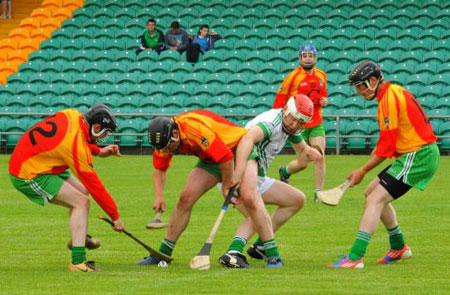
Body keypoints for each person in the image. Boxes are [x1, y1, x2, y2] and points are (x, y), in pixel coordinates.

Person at [138, 109, 283, 267]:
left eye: (168, 147)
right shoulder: (164, 141)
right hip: (211, 158)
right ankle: (163, 254)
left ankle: (273, 254)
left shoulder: (194, 129)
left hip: (237, 149)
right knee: (185, 198)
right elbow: (159, 169)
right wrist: (159, 196)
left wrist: (227, 185)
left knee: (249, 197)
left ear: (175, 132)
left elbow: (226, 157)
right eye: (162, 149)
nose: (166, 151)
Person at [330, 60, 439, 268]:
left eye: (361, 86)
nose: (359, 91)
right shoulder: (391, 94)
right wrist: (379, 150)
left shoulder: (389, 99)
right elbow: (391, 138)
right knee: (371, 193)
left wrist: (361, 170)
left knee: (375, 200)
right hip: (415, 154)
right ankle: (399, 247)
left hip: (419, 156)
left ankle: (355, 257)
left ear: (373, 80)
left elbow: (387, 147)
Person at [8, 104, 125, 272]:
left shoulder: (72, 114)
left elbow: (75, 139)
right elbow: (94, 185)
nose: (103, 137)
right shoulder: (75, 146)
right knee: (82, 202)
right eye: (104, 133)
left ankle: (79, 237)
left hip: (45, 161)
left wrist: (98, 151)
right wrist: (115, 216)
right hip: (28, 172)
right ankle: (78, 263)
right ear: (97, 127)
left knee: (81, 194)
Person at [218, 94, 322, 268]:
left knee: (296, 199)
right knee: (256, 213)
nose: (295, 124)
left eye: (300, 123)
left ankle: (259, 247)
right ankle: (236, 251)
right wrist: (237, 174)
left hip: (258, 176)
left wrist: (311, 151)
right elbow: (247, 138)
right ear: (286, 110)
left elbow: (302, 150)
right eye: (294, 119)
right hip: (241, 171)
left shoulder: (291, 127)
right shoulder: (272, 123)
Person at [274, 45, 328, 201]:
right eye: (304, 55)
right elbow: (280, 98)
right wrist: (278, 118)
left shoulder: (322, 76)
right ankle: (285, 172)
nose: (308, 58)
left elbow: (323, 96)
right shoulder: (293, 77)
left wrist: (325, 101)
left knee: (319, 156)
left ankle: (318, 193)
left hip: (317, 121)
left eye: (311, 55)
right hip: (299, 125)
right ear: (300, 58)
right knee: (303, 163)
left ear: (316, 58)